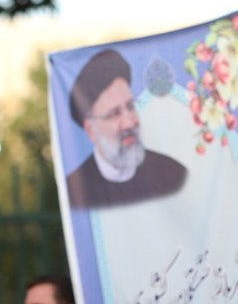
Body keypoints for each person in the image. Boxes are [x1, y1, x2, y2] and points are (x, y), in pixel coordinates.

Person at [66, 48, 187, 208]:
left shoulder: (173, 173)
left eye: (131, 107)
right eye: (114, 114)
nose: (129, 123)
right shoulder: (76, 192)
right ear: (91, 130)